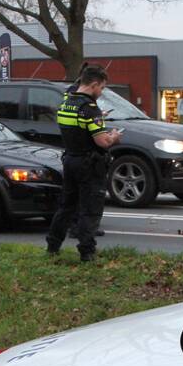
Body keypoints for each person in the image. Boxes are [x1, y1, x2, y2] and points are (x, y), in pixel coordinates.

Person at [46, 66, 122, 262]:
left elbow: (76, 124)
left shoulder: (66, 101)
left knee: (66, 206)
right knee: (91, 209)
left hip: (70, 160)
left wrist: (97, 119)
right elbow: (102, 142)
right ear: (94, 84)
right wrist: (114, 137)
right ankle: (87, 253)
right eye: (102, 88)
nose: (101, 92)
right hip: (89, 164)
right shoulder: (90, 108)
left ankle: (53, 246)